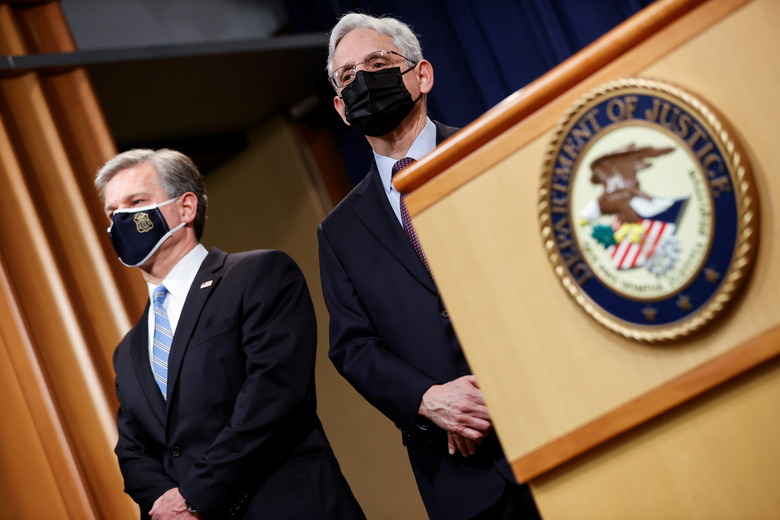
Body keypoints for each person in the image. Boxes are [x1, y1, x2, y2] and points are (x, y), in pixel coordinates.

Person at [317, 12, 541, 520]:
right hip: (461, 478)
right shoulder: (339, 232)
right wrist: (429, 398)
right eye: (348, 77)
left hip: (550, 418)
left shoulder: (490, 154)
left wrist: (493, 389)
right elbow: (353, 347)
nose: (363, 81)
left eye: (377, 62)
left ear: (423, 75)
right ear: (341, 108)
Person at [95, 149, 365, 520]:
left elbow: (272, 395)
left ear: (186, 207)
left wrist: (194, 496)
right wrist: (163, 503)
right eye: (113, 213)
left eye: (136, 202)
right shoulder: (128, 351)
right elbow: (132, 448)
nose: (122, 220)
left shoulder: (257, 275)